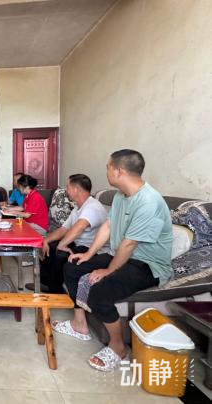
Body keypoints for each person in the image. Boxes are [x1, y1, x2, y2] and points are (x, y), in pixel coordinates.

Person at [57, 150, 173, 372]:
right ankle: (79, 324)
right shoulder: (121, 196)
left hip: (147, 264)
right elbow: (108, 226)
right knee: (73, 266)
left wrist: (108, 270)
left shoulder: (148, 201)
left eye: (108, 167)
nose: (107, 171)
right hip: (120, 254)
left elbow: (129, 244)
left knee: (100, 289)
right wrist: (89, 255)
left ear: (119, 171)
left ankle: (118, 347)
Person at [38, 174, 108, 293]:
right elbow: (64, 229)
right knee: (49, 245)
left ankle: (56, 293)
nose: (66, 191)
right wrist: (45, 240)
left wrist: (62, 244)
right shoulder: (77, 208)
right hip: (78, 244)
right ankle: (46, 284)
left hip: (92, 249)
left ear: (75, 190)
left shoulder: (93, 206)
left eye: (68, 187)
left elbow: (79, 227)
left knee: (60, 254)